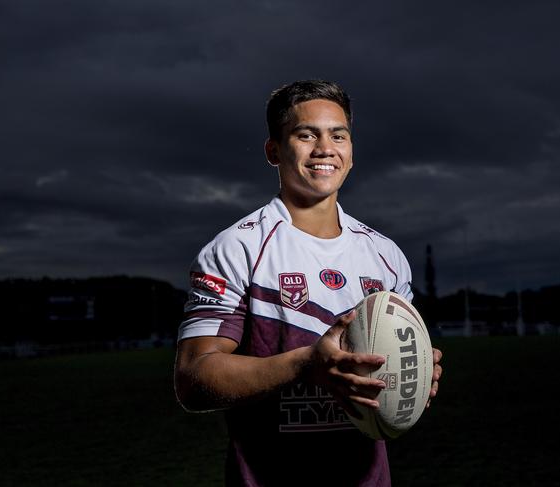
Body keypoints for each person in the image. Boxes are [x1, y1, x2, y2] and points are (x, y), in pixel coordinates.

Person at [174, 79, 443, 486]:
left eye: (339, 135)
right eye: (306, 134)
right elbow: (193, 380)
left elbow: (394, 369)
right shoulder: (237, 248)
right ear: (274, 151)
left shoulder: (386, 255)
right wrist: (305, 364)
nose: (325, 148)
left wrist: (417, 370)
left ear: (351, 153)